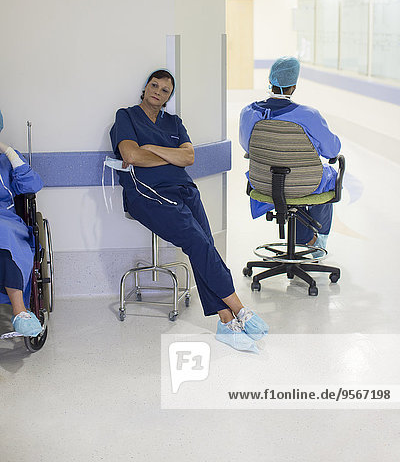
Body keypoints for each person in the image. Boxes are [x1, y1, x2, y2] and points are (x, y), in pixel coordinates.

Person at [110, 69, 268, 353]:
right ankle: (239, 309)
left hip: (184, 189)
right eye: (154, 85)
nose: (158, 92)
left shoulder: (173, 122)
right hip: (146, 194)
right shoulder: (126, 116)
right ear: (145, 88)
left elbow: (189, 156)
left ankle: (224, 322)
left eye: (165, 90)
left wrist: (152, 149)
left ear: (169, 97)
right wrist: (169, 155)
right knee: (197, 242)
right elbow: (131, 156)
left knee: (205, 244)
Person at [239, 56, 341, 255]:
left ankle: (304, 237)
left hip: (264, 181)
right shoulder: (308, 115)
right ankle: (316, 240)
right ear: (293, 86)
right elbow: (332, 151)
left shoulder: (248, 112)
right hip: (304, 183)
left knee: (289, 182)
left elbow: (249, 149)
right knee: (327, 177)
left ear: (270, 81)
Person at [0, 110, 44, 337]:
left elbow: (31, 186)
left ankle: (20, 312)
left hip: (5, 221)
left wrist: (7, 151)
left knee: (3, 235)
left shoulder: (8, 159)